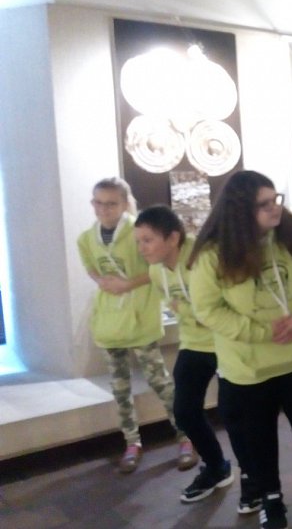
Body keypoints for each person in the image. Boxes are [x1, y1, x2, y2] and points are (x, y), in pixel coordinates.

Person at [188, 171, 292, 529]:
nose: (275, 209)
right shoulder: (214, 255)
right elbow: (208, 309)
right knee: (259, 434)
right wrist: (260, 332)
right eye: (264, 204)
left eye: (276, 199)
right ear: (241, 211)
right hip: (249, 366)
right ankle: (271, 497)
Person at [134, 205, 260, 511]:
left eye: (148, 240)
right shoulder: (155, 271)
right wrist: (193, 313)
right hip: (193, 344)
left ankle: (253, 480)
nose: (142, 248)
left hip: (225, 343)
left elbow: (219, 306)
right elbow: (185, 310)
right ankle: (217, 467)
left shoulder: (204, 258)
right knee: (184, 411)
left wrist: (190, 311)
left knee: (234, 414)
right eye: (138, 241)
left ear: (173, 238)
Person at [77, 177, 194, 474]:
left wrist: (127, 284)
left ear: (125, 204)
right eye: (98, 203)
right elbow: (89, 265)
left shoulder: (138, 232)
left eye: (111, 203)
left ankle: (185, 436)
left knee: (160, 381)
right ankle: (132, 442)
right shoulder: (87, 238)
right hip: (109, 319)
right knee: (119, 386)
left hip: (139, 315)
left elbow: (156, 267)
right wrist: (103, 281)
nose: (104, 209)